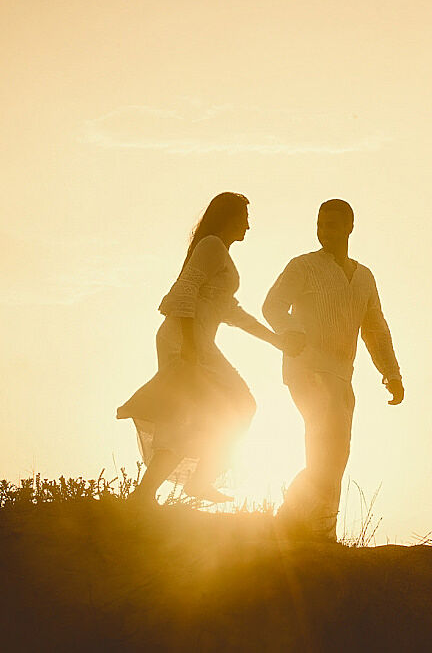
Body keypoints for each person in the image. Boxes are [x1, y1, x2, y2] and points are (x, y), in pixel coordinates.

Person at [118, 192, 293, 506]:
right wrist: (188, 347)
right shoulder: (211, 246)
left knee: (190, 417)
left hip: (195, 341)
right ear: (229, 218)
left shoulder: (220, 253)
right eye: (245, 218)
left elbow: (231, 311)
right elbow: (184, 289)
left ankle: (147, 495)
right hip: (185, 341)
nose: (249, 227)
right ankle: (193, 482)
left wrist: (277, 341)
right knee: (236, 406)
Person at [263, 198, 404, 541]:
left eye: (332, 224)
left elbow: (376, 329)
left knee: (337, 454)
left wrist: (392, 373)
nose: (324, 230)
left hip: (343, 375)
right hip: (306, 368)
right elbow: (273, 305)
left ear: (349, 227)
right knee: (324, 443)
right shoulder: (302, 266)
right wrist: (290, 331)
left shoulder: (365, 277)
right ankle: (302, 525)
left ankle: (316, 530)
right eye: (320, 223)